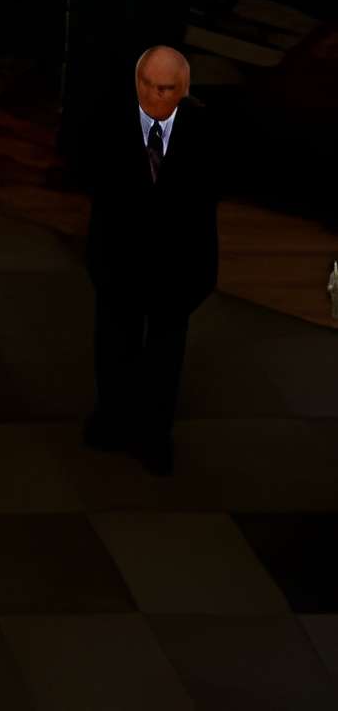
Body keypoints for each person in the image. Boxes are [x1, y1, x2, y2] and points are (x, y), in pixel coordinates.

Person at [85, 44, 219, 476]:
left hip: (175, 272)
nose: (154, 96)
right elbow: (98, 194)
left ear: (183, 90)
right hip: (119, 264)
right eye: (146, 85)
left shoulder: (204, 130)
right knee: (113, 347)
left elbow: (206, 207)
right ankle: (111, 422)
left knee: (164, 358)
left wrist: (198, 275)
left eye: (165, 89)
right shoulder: (108, 119)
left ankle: (153, 436)